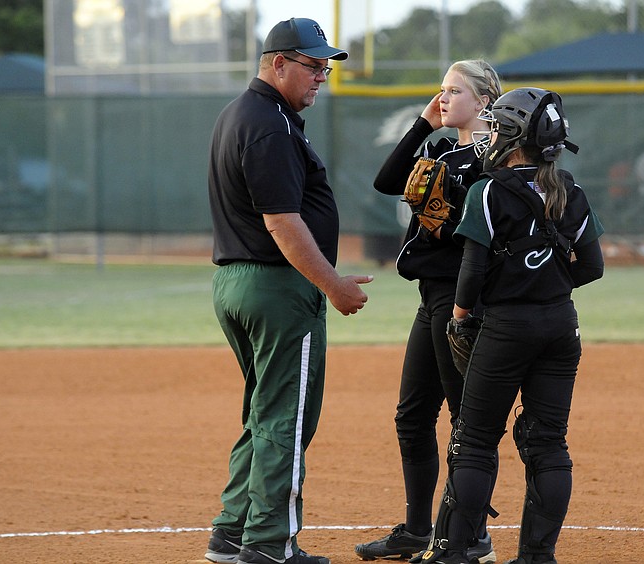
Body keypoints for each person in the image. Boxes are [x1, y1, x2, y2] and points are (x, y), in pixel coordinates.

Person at [204, 17, 372, 564]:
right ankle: (271, 544)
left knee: (264, 411)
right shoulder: (269, 125)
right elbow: (281, 221)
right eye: (313, 65)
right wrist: (335, 285)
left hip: (239, 282)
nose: (322, 75)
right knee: (287, 417)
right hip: (276, 288)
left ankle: (233, 531)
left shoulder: (244, 114)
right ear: (279, 63)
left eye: (326, 66)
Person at [418, 87, 605, 564]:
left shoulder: (488, 189)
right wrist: (546, 283)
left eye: (501, 128)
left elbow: (472, 271)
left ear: (514, 136)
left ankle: (453, 552)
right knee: (548, 442)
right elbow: (592, 267)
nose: (496, 134)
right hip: (561, 326)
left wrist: (461, 317)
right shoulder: (571, 190)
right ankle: (537, 556)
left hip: (505, 328)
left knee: (475, 441)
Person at [355, 60, 503, 563]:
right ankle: (418, 530)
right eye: (440, 90)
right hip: (430, 301)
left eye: (454, 91)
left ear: (484, 100)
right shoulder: (442, 149)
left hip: (463, 300)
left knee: (467, 422)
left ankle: (471, 534)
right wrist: (423, 124)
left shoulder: (495, 159)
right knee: (412, 416)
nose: (443, 98)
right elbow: (385, 180)